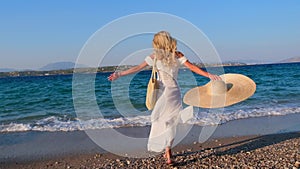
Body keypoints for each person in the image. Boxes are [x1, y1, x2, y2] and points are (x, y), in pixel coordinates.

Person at [108, 31, 220, 165]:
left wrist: (208, 75)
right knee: (170, 121)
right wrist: (119, 74)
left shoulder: (168, 55)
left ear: (158, 43)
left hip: (169, 92)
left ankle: (167, 152)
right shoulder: (164, 56)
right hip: (167, 92)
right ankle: (168, 153)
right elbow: (192, 68)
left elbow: (192, 67)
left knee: (160, 119)